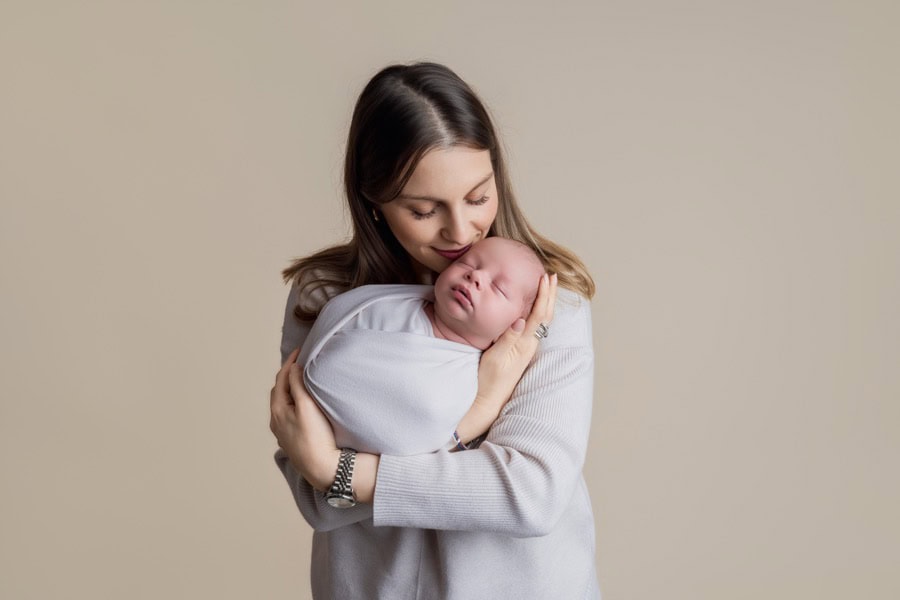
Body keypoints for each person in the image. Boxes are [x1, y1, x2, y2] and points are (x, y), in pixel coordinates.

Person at [269, 62, 600, 599]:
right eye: (423, 209)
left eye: (477, 197)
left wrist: (343, 471)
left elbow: (530, 493)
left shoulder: (545, 305)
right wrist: (478, 411)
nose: (461, 231)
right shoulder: (325, 298)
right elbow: (315, 499)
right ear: (374, 203)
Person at [299, 237, 546, 457]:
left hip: (343, 458)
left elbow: (429, 433)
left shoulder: (469, 380)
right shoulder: (386, 300)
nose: (476, 276)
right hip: (300, 415)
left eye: (498, 288)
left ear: (516, 326)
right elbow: (329, 330)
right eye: (469, 263)